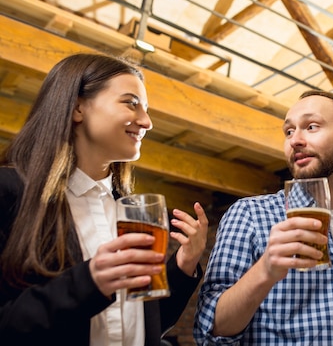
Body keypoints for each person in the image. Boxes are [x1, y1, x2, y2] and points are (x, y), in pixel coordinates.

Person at [0, 53, 209, 345]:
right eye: (131, 103)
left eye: (146, 109)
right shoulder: (8, 192)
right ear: (77, 108)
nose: (147, 122)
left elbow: (149, 324)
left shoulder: (134, 212)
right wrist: (90, 282)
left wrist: (183, 265)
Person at [193, 90, 333, 345]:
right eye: (289, 131)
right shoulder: (250, 214)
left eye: (311, 126)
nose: (295, 140)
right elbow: (210, 330)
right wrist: (265, 270)